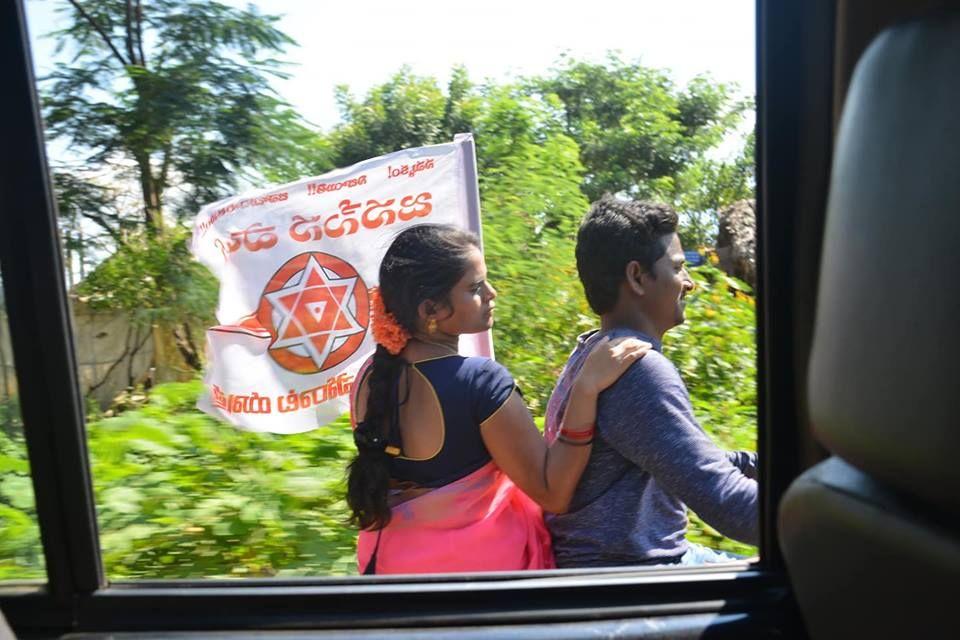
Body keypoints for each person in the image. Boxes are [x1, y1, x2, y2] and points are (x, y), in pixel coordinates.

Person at [346, 224, 650, 574]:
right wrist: (585, 388)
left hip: (391, 575)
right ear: (431, 309)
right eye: (475, 288)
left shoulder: (369, 376)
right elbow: (552, 492)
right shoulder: (479, 383)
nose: (492, 293)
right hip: (481, 588)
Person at [545, 196, 759, 568]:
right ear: (637, 277)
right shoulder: (638, 371)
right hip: (632, 574)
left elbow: (681, 458)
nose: (689, 282)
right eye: (678, 267)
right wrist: (825, 514)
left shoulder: (595, 351)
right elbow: (727, 504)